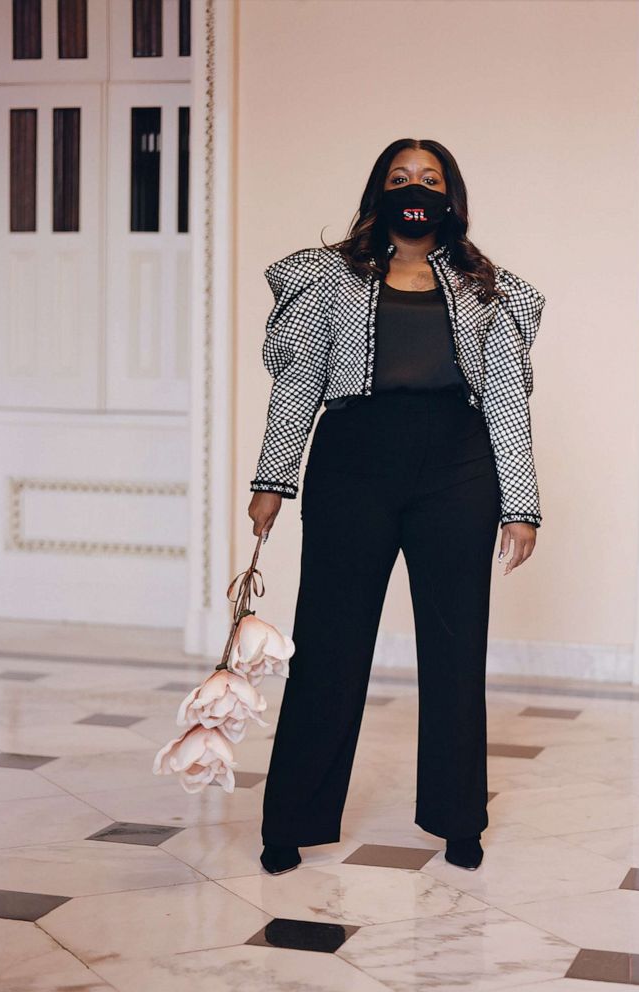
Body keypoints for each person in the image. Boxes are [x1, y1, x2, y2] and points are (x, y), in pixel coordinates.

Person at [248, 138, 546, 875]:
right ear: (377, 192)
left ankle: (458, 822)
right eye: (399, 178)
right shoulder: (327, 279)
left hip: (458, 468)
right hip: (354, 463)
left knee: (454, 649)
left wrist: (521, 504)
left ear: (451, 195)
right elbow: (297, 384)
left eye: (430, 179)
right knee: (328, 647)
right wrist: (272, 479)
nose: (414, 189)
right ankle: (292, 820)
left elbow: (506, 399)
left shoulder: (486, 289)